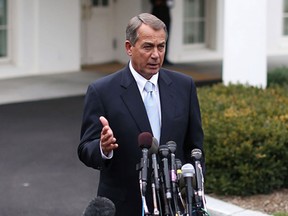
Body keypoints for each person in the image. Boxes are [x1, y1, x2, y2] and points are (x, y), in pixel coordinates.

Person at [78, 13, 204, 216]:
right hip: (125, 206)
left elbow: (195, 148)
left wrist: (192, 192)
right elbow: (86, 149)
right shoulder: (102, 91)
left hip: (174, 206)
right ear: (129, 48)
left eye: (161, 46)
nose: (156, 54)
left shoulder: (184, 86)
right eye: (148, 47)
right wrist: (103, 148)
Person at [150, 0, 173, 65]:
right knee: (154, 38)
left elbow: (171, 3)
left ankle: (164, 58)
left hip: (166, 16)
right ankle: (154, 57)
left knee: (165, 38)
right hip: (156, 16)